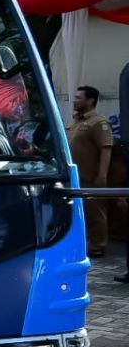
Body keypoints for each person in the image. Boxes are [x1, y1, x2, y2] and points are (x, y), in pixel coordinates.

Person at [67, 85, 114, 259]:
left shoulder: (99, 123)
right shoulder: (76, 121)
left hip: (90, 177)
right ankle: (83, 243)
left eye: (79, 97)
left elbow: (106, 148)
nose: (75, 100)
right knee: (79, 212)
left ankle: (98, 246)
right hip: (75, 177)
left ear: (90, 100)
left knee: (95, 212)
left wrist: (102, 175)